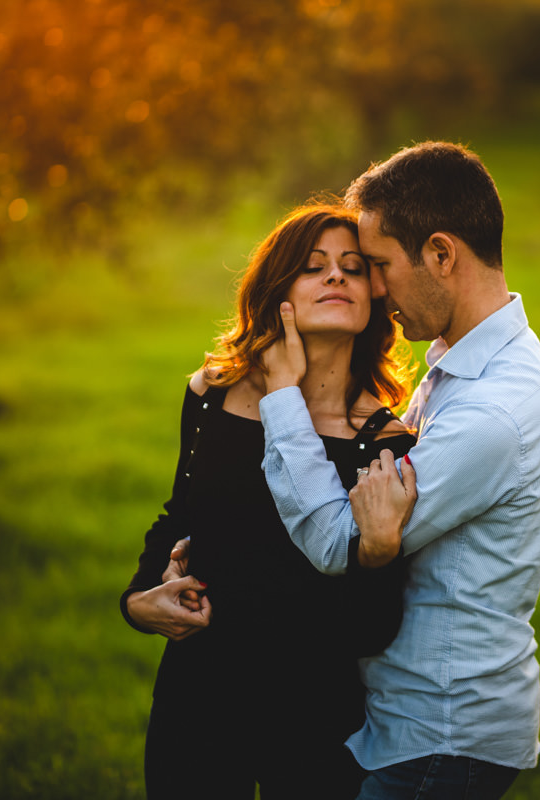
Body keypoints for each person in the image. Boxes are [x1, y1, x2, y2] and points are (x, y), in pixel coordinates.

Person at [259, 142, 540, 799]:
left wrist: (282, 396)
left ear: (441, 254)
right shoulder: (467, 362)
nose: (372, 289)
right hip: (416, 726)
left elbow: (337, 541)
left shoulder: (491, 411)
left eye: (378, 265)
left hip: (442, 733)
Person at [119, 204, 417, 799]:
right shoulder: (213, 393)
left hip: (315, 717)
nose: (336, 276)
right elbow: (180, 515)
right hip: (197, 695)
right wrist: (137, 600)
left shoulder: (385, 443)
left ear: (372, 297)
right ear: (278, 289)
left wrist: (377, 556)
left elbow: (373, 626)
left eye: (353, 267)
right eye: (313, 266)